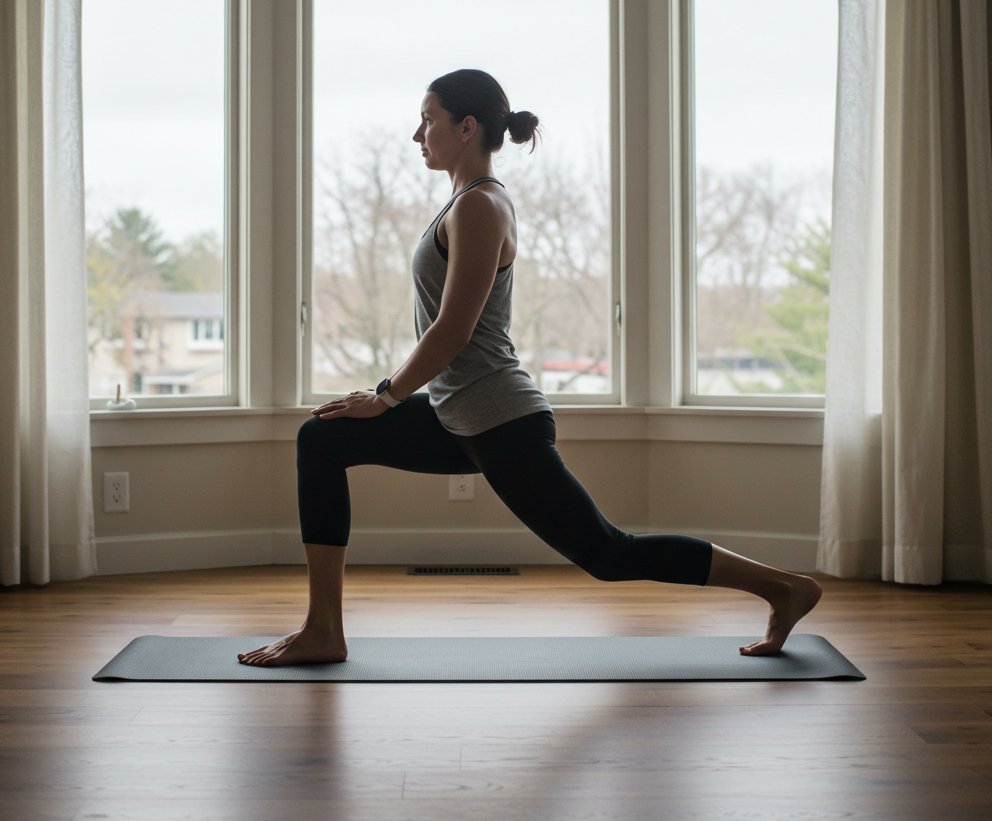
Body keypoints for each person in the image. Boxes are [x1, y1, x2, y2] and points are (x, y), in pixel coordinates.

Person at [238, 69, 821, 667]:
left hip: (497, 417)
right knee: (322, 438)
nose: (417, 135)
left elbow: (453, 330)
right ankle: (323, 630)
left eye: (428, 119)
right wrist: (389, 397)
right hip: (455, 411)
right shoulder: (466, 203)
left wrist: (385, 396)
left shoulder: (482, 206)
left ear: (466, 128)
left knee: (608, 555)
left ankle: (784, 587)